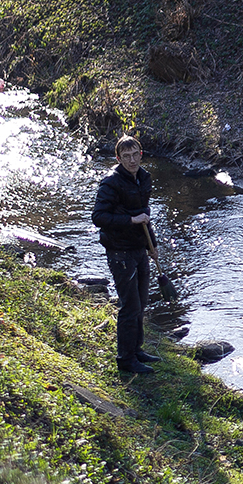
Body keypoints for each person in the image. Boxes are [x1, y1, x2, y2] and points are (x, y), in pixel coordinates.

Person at [92, 135, 161, 374]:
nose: (132, 161)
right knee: (129, 306)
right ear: (118, 158)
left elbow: (145, 214)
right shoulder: (111, 183)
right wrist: (131, 220)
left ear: (141, 155)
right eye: (127, 157)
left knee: (141, 303)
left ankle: (136, 350)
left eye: (136, 155)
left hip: (139, 249)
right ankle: (125, 359)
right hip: (119, 252)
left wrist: (152, 244)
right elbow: (98, 217)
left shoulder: (144, 178)